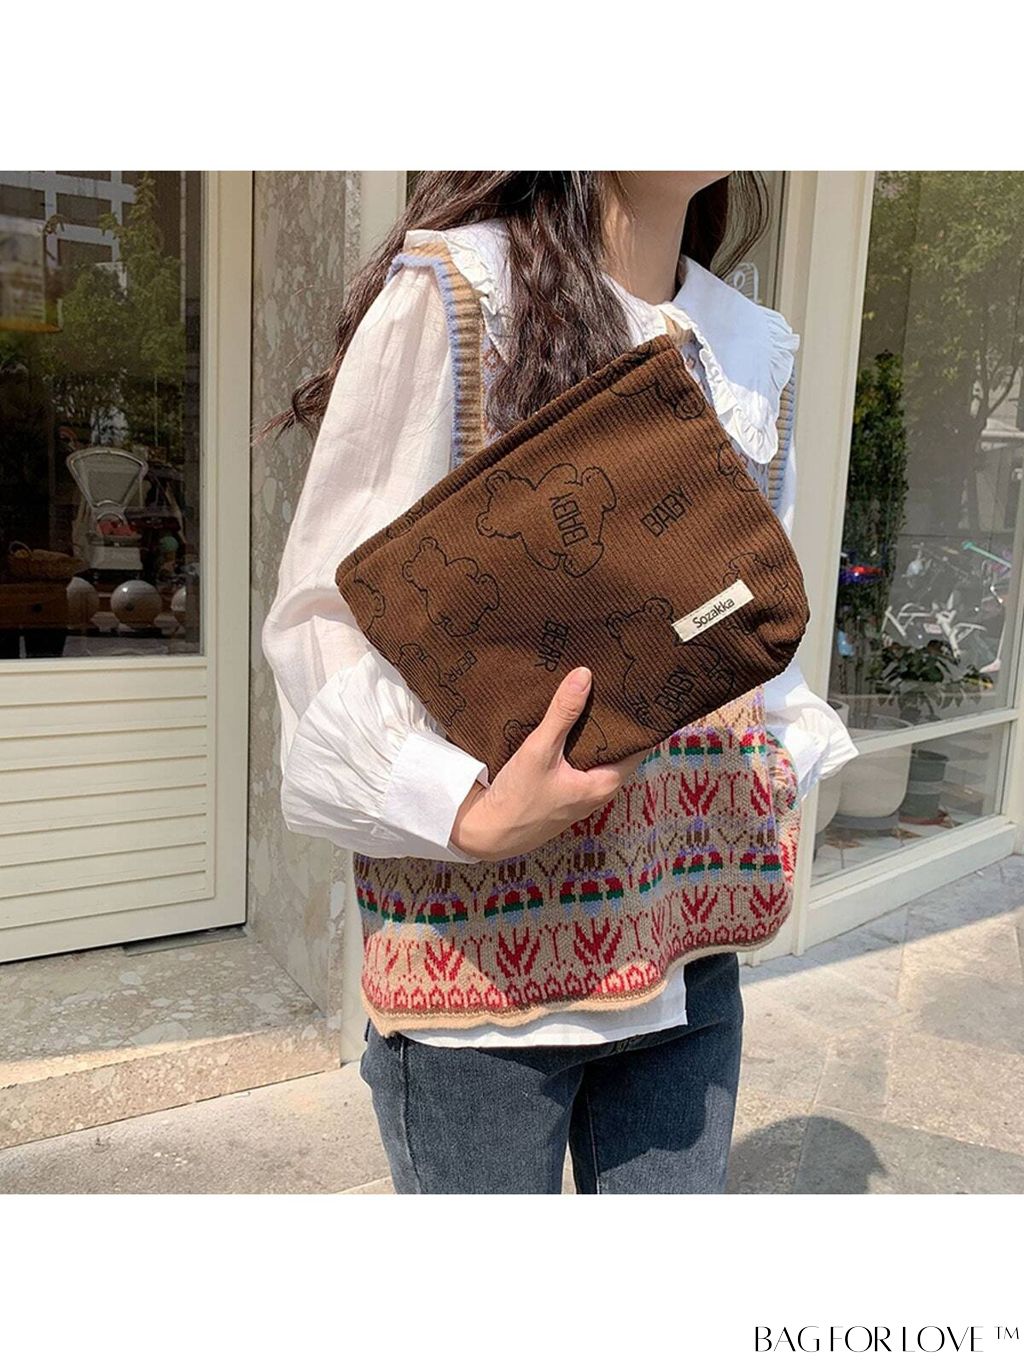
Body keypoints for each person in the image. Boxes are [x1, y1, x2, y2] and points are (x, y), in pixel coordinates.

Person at [260, 172, 856, 1194]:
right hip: (478, 983)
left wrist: (770, 766)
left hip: (688, 953)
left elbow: (753, 631)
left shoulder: (751, 346)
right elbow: (326, 619)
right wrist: (465, 812)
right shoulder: (460, 293)